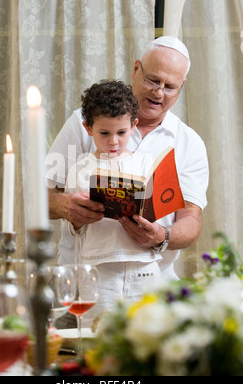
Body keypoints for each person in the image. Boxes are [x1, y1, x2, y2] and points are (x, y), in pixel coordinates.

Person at [45, 36, 209, 288]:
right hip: (84, 282)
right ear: (136, 69)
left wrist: (161, 236)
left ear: (182, 86)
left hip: (153, 285)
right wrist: (66, 206)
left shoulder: (189, 143)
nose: (158, 92)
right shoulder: (83, 122)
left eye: (170, 86)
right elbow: (42, 198)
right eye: (152, 80)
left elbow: (191, 220)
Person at [62, 80, 162, 327]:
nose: (114, 142)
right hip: (99, 271)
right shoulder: (81, 169)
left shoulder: (147, 164)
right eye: (104, 133)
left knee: (147, 340)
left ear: (133, 126)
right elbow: (72, 223)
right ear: (88, 128)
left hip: (144, 270)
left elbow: (157, 213)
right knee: (99, 343)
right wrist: (79, 215)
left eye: (121, 132)